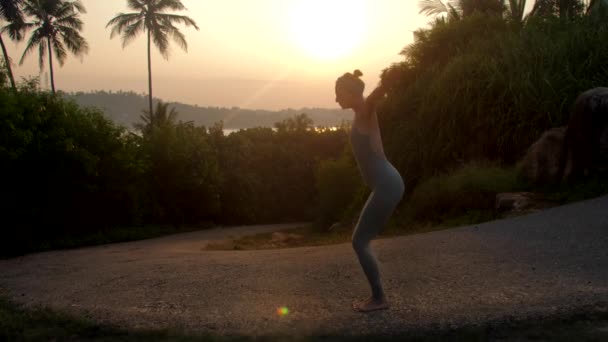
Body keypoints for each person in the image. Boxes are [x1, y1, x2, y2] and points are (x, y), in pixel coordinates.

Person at [335, 69, 404, 312]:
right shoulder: (359, 114)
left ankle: (379, 299)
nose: (336, 99)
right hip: (385, 184)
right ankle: (378, 296)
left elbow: (373, 99)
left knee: (359, 241)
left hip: (388, 184)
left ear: (352, 93)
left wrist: (385, 84)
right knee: (361, 240)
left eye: (338, 93)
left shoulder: (365, 110)